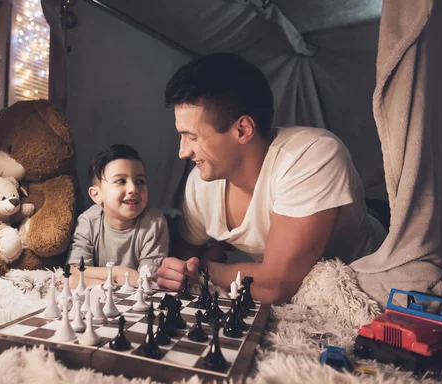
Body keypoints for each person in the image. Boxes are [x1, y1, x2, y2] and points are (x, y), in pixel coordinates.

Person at [157, 53, 387, 304]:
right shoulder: (200, 181)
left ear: (242, 130)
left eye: (192, 137)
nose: (183, 151)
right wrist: (179, 267)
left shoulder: (311, 154)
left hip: (370, 246)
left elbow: (275, 286)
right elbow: (187, 251)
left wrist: (206, 269)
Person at [67, 144, 169, 287]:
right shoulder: (88, 221)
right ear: (96, 195)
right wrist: (116, 273)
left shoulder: (153, 223)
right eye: (120, 181)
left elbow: (147, 280)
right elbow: (74, 270)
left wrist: (92, 280)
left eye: (140, 181)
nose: (133, 189)